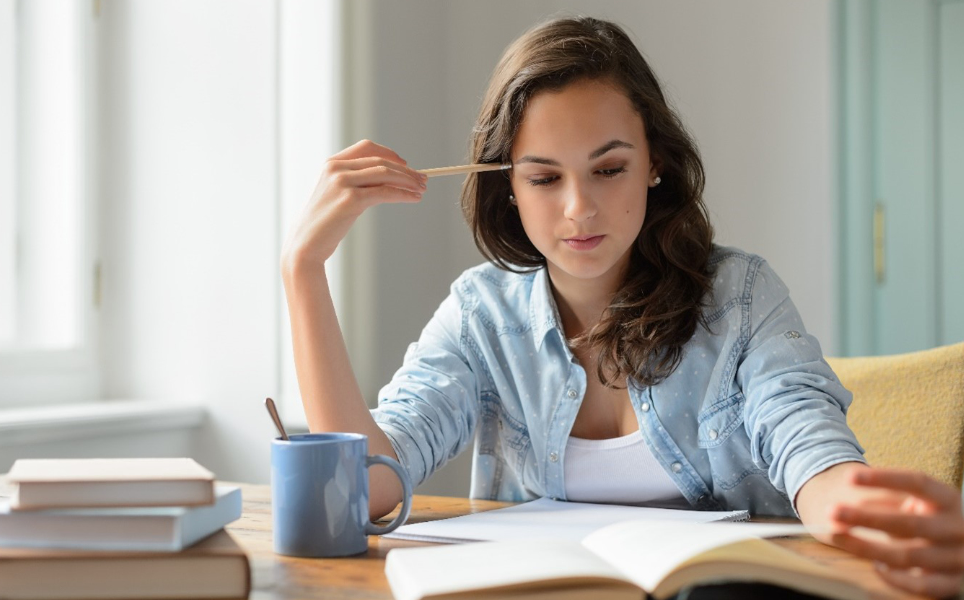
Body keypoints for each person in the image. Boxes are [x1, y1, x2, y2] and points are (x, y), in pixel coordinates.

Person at [281, 16, 964, 597]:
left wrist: (855, 504)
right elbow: (365, 492)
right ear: (508, 187)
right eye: (544, 177)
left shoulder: (741, 297)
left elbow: (806, 441)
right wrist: (303, 271)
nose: (579, 209)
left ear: (654, 163)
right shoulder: (481, 315)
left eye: (609, 168)